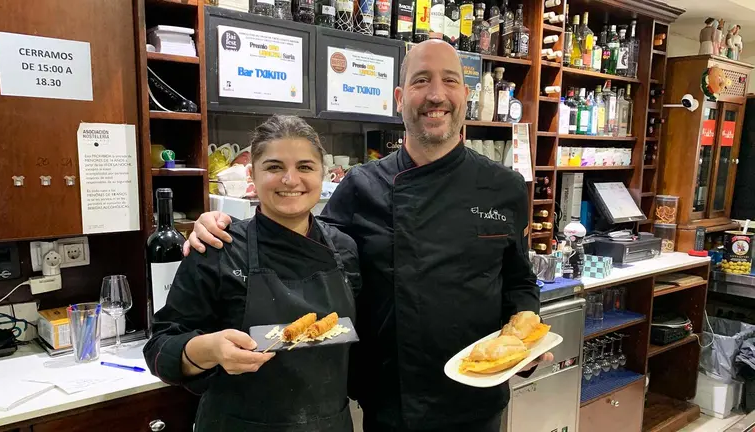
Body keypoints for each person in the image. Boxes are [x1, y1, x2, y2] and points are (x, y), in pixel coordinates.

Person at [186, 40, 550, 431]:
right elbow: (303, 250)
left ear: (466, 94)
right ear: (399, 97)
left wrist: (525, 340)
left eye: (449, 81)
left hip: (478, 398)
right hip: (391, 403)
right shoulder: (361, 186)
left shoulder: (505, 187)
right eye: (421, 81)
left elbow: (518, 280)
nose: (435, 95)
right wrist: (226, 226)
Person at [143, 115, 361, 432]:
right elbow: (159, 348)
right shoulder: (219, 247)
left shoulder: (345, 250)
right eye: (274, 167)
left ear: (322, 174)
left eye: (305, 167)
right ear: (252, 175)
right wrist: (210, 349)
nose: (290, 179)